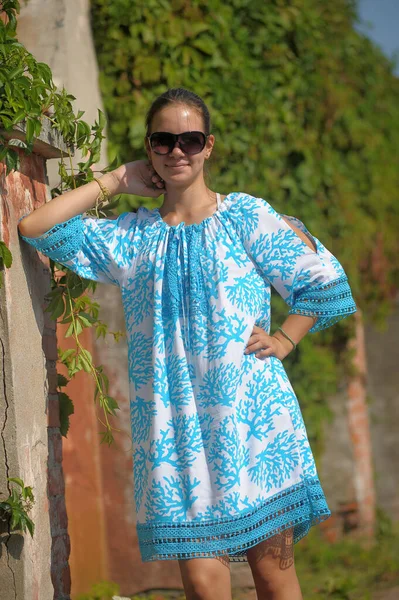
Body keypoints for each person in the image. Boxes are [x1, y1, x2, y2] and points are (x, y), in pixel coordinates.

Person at [18, 87, 357, 600]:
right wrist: (115, 180)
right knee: (202, 585)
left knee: (273, 575)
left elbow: (322, 282)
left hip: (251, 422)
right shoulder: (134, 236)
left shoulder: (244, 217)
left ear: (209, 146)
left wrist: (287, 338)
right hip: (171, 427)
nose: (178, 151)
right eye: (164, 140)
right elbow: (35, 226)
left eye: (190, 139)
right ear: (150, 147)